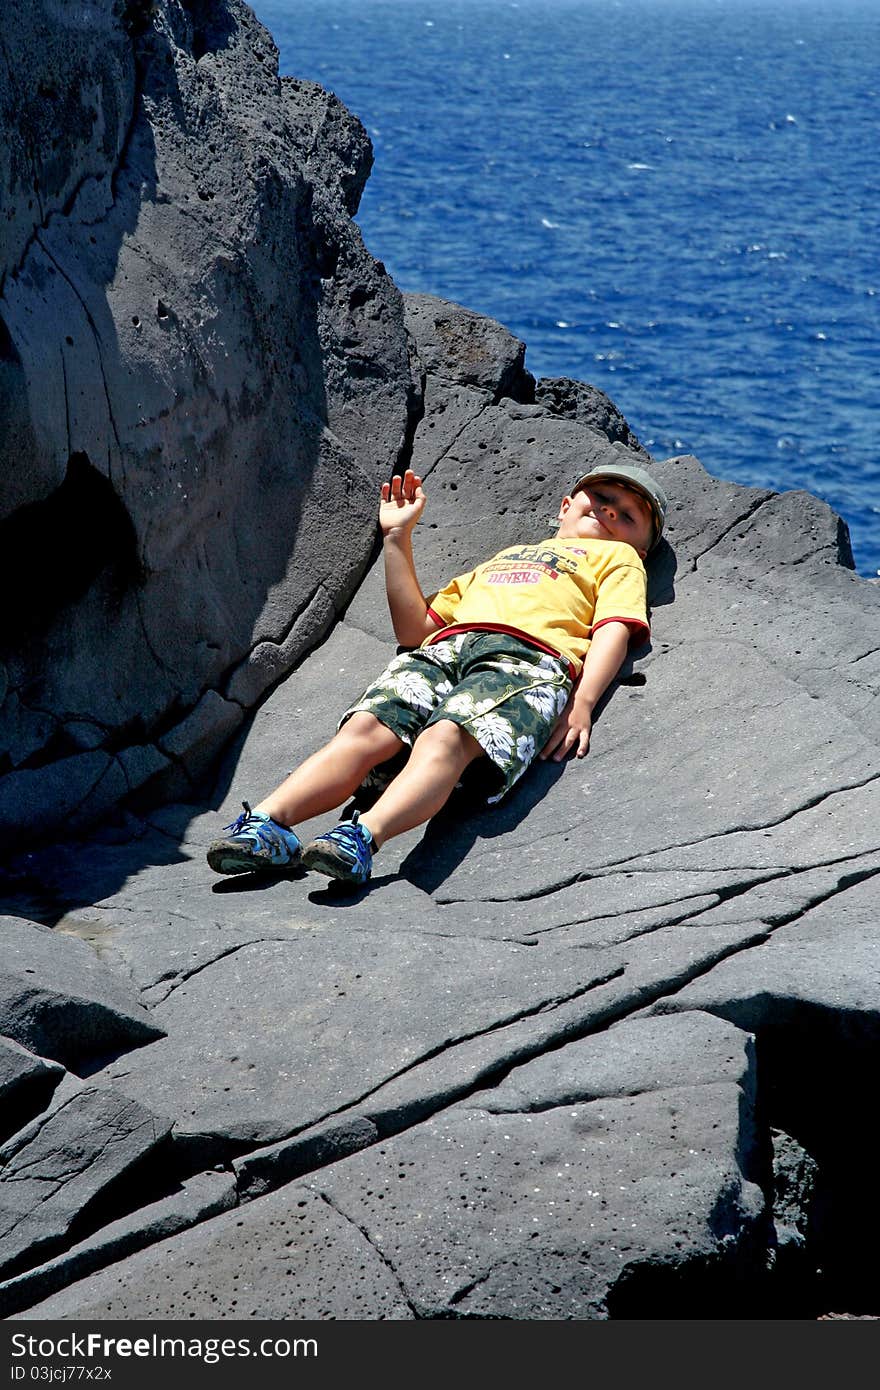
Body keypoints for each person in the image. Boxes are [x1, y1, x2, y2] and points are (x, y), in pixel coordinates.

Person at [207, 460, 667, 888]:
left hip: (527, 660)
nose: (610, 509)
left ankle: (363, 837)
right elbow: (416, 628)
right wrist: (396, 538)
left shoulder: (619, 562)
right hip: (445, 647)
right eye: (601, 494)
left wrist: (582, 703)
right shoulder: (507, 556)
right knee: (367, 728)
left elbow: (613, 631)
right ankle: (269, 824)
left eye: (628, 515)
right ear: (565, 506)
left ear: (641, 549)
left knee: (446, 737)